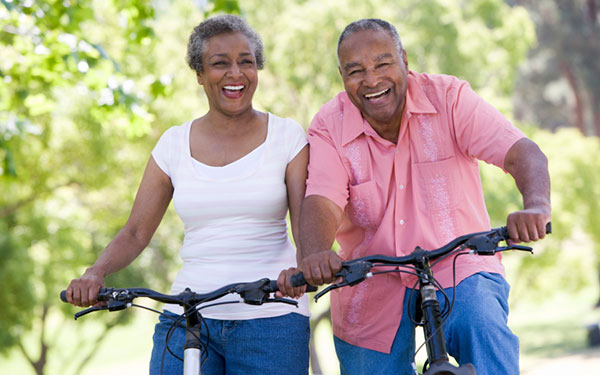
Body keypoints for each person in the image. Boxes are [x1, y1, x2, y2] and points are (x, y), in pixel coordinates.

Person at [278, 18, 551, 375]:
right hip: (370, 275)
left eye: (383, 64)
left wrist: (536, 206)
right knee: (366, 366)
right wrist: (314, 253)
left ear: (404, 60)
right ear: (342, 76)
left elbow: (521, 152)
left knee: (481, 323)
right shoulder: (330, 124)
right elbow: (322, 200)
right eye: (355, 71)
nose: (372, 80)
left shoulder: (449, 98)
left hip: (458, 262)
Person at [65, 14, 310, 375]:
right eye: (219, 63)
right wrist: (95, 272)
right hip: (188, 314)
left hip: (273, 316)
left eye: (246, 62)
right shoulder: (173, 144)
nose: (235, 73)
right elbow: (135, 232)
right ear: (199, 74)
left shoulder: (288, 137)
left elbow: (306, 225)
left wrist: (303, 270)